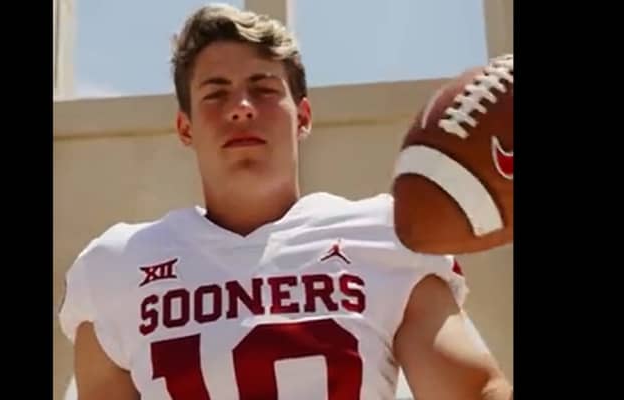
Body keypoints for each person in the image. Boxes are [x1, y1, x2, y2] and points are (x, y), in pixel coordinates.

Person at [58, 3, 513, 399]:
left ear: (304, 117)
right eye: (216, 93)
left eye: (264, 89)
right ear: (185, 128)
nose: (241, 107)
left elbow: (474, 392)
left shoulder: (383, 238)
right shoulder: (118, 265)